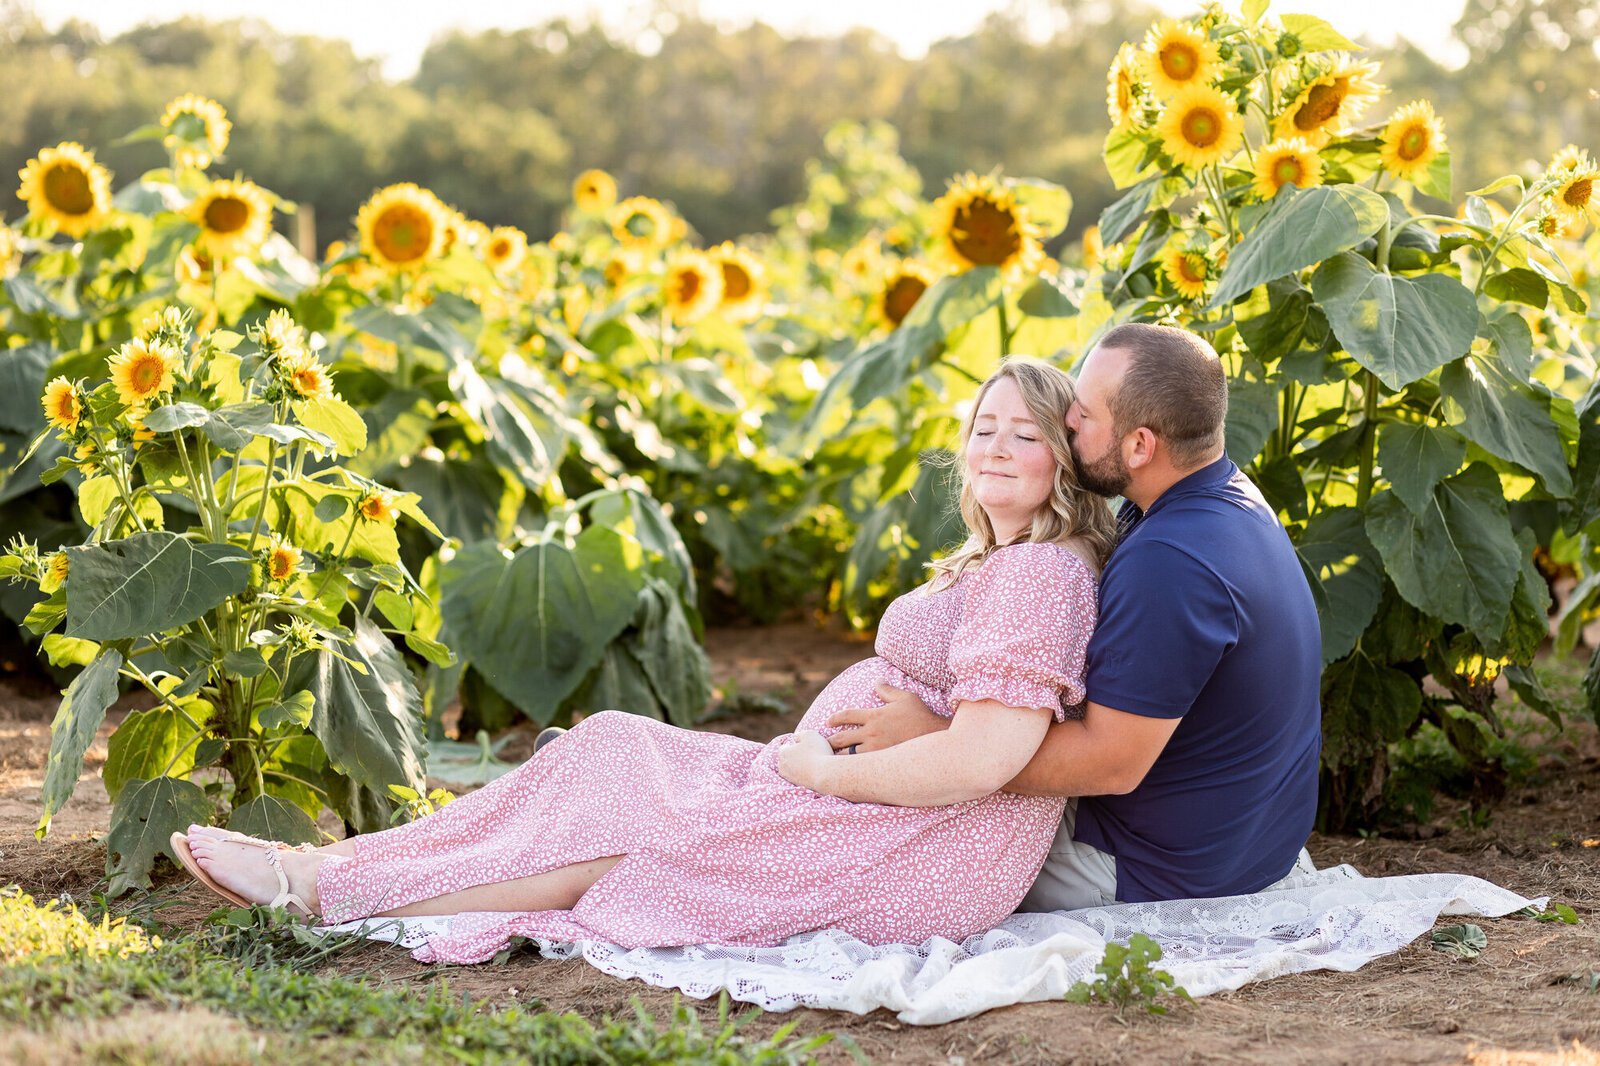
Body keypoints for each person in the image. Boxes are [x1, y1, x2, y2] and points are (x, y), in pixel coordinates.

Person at [172, 355, 1120, 963]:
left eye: (1026, 433)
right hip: (869, 798)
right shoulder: (1003, 560)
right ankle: (329, 863)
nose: (996, 445)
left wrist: (821, 770)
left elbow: (987, 761)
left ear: (1064, 463)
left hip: (919, 839)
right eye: (984, 427)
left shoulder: (1038, 573)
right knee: (607, 751)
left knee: (641, 843)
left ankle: (324, 891)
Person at [826, 323, 1323, 910]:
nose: (1067, 423)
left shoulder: (1170, 563)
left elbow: (1108, 764)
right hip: (1241, 841)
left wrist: (929, 737)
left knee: (850, 853)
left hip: (1154, 867)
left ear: (1140, 447)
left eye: (1083, 416)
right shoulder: (1215, 499)